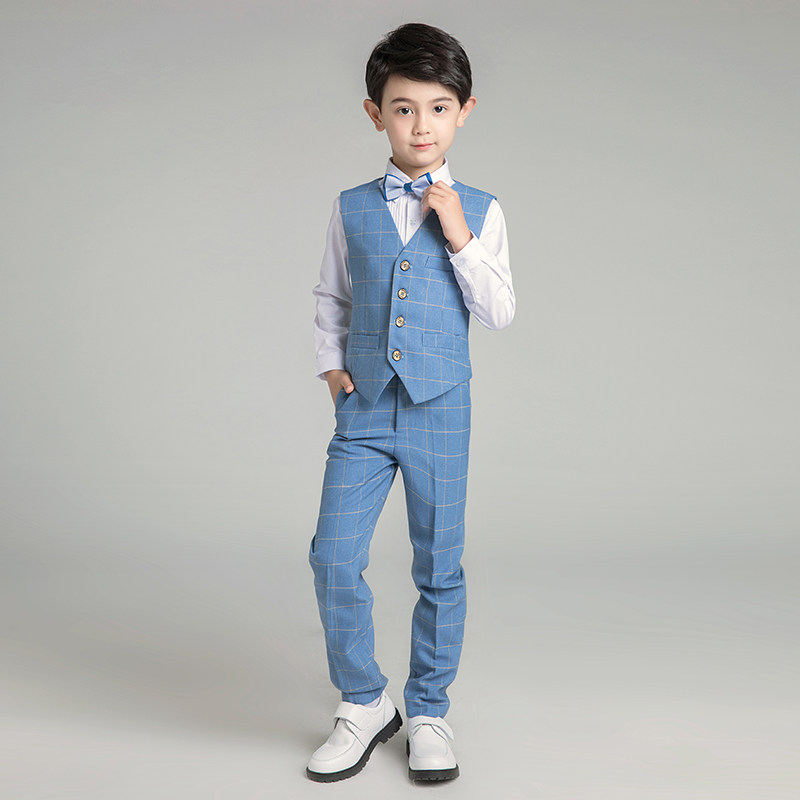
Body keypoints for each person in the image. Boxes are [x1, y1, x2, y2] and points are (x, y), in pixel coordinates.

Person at [306, 22, 515, 783]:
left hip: (440, 409)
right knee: (333, 556)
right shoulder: (351, 207)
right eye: (403, 108)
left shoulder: (483, 210)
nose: (420, 125)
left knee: (439, 565)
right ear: (376, 114)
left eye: (438, 108)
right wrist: (333, 368)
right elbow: (332, 295)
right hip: (364, 410)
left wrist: (458, 235)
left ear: (463, 112)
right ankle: (364, 702)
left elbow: (499, 311)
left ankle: (428, 709)